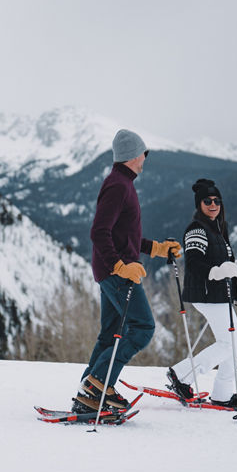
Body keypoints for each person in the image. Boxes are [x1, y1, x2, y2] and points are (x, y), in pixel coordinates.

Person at [73, 129, 181, 413]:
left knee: (109, 334)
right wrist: (119, 266)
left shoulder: (122, 183)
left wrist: (158, 248)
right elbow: (99, 232)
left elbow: (124, 236)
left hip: (112, 271)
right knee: (143, 327)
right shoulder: (119, 185)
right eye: (144, 153)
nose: (145, 158)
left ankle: (89, 392)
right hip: (117, 274)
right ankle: (98, 383)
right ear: (133, 155)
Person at [165, 178, 237, 409]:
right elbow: (193, 263)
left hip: (219, 294)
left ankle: (222, 394)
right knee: (228, 343)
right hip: (206, 294)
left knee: (235, 343)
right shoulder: (197, 229)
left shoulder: (219, 228)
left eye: (217, 200)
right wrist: (217, 271)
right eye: (207, 201)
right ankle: (180, 376)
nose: (213, 204)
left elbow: (223, 261)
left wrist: (236, 267)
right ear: (199, 204)